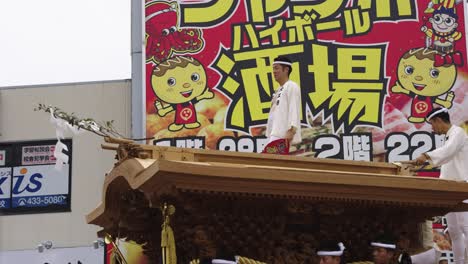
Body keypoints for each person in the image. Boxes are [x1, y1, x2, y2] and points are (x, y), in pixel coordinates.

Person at [411, 107, 468, 264]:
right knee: (455, 232)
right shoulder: (450, 137)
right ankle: (459, 262)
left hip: (462, 188)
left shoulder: (458, 133)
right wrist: (424, 161)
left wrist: (426, 156)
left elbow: (447, 151)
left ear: (438, 121)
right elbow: (444, 158)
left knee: (465, 228)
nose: (432, 128)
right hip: (450, 189)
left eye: (432, 124)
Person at [262, 56, 302, 155]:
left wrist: (292, 130)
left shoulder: (292, 86)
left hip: (282, 136)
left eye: (277, 68)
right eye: (273, 69)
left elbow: (294, 108)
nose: (274, 72)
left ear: (286, 69)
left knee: (271, 164)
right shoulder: (279, 89)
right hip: (275, 135)